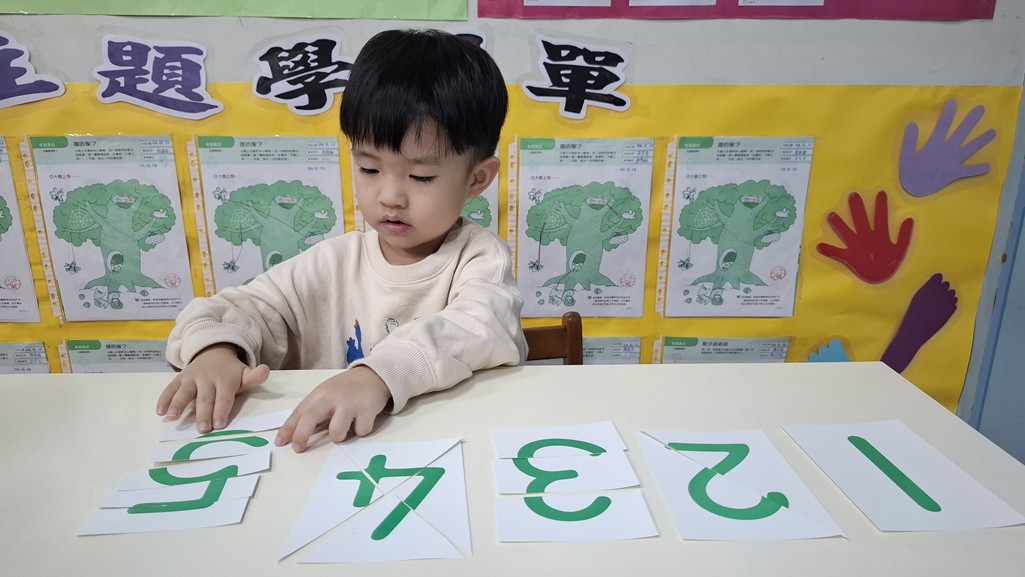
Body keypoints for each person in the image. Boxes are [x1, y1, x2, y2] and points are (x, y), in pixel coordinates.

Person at [156, 29, 526, 452]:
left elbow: (479, 327)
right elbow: (239, 309)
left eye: (421, 176)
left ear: (477, 179)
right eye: (369, 169)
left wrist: (377, 375)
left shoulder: (480, 259)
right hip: (337, 455)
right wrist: (217, 349)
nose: (390, 196)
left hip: (452, 449)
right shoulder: (333, 262)